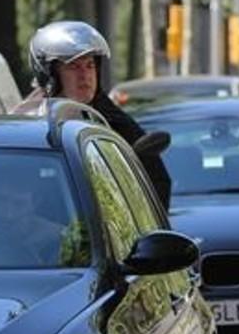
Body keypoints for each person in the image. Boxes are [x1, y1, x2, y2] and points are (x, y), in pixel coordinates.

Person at [14, 20, 172, 207]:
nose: (85, 75)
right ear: (50, 74)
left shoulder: (111, 120)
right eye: (73, 67)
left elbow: (157, 181)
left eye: (90, 65)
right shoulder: (26, 122)